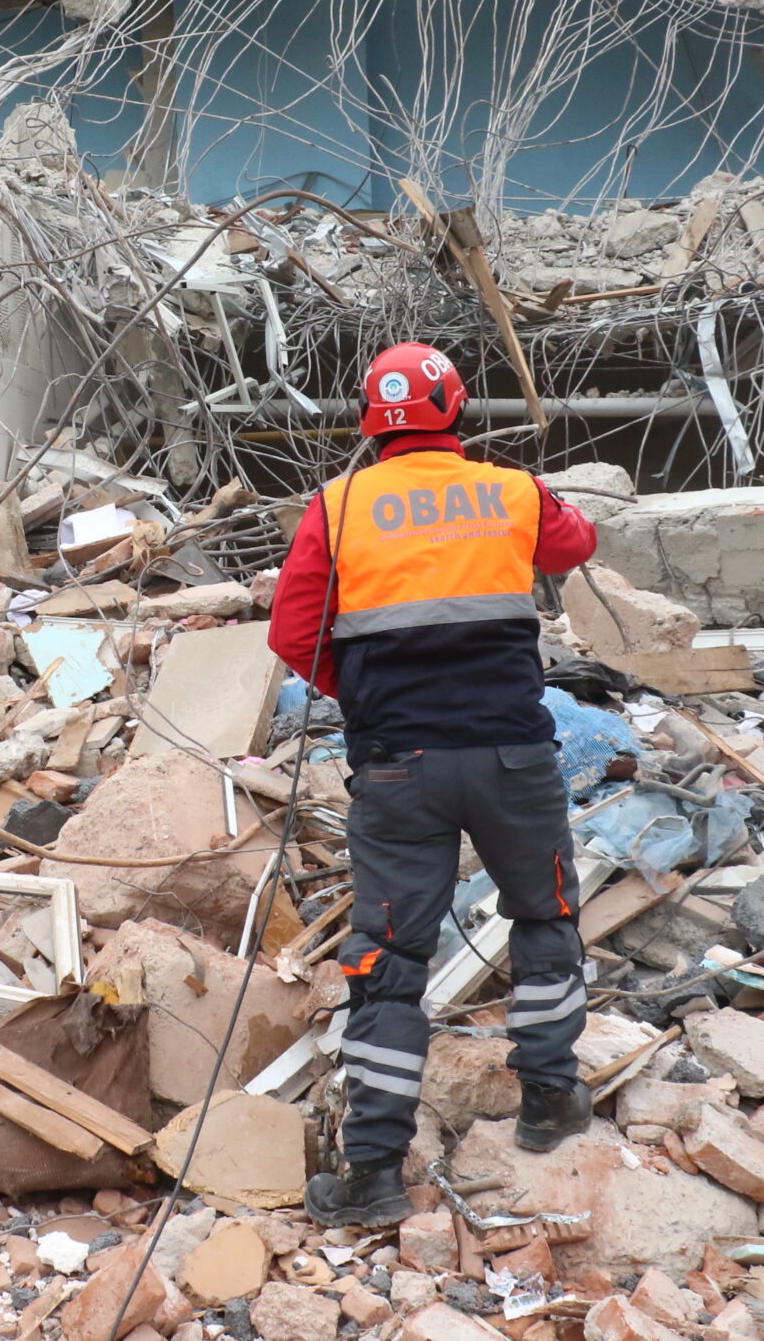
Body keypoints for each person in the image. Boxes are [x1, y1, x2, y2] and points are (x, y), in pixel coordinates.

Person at [266, 342, 599, 1227]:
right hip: (512, 761)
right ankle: (547, 1102)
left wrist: (368, 692)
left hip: (398, 767)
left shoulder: (336, 506)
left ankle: (373, 1173)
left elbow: (294, 633)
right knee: (543, 917)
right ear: (457, 406)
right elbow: (579, 541)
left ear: (371, 419)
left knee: (389, 962)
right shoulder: (512, 489)